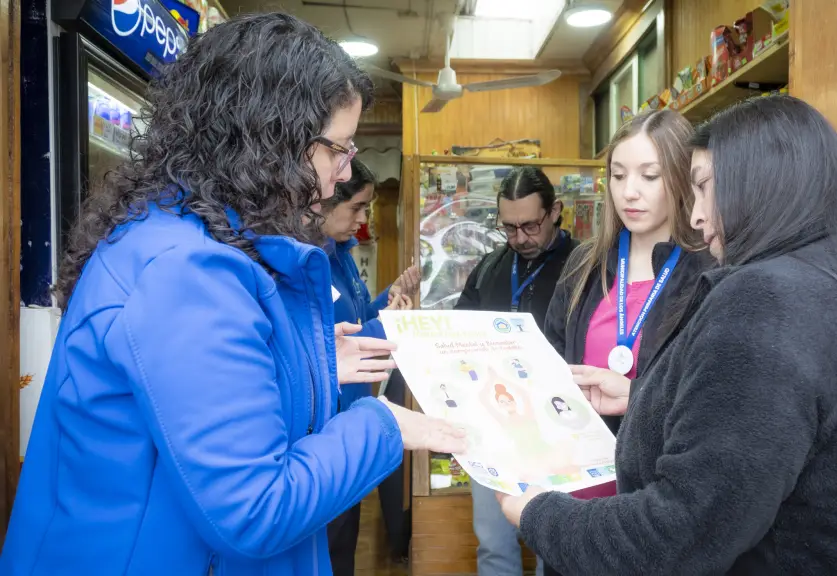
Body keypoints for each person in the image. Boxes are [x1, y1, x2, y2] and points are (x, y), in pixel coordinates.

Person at [0, 14, 464, 576]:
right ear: (273, 140)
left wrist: (307, 364)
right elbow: (256, 507)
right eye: (337, 150)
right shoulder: (187, 273)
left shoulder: (192, 233)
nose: (343, 174)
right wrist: (384, 426)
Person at [496, 96, 837, 575]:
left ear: (757, 185)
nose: (698, 215)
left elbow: (682, 531)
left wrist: (541, 514)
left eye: (703, 186)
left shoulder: (766, 297)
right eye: (618, 176)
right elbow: (770, 417)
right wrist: (644, 395)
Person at [545, 110, 709, 438]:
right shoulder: (584, 264)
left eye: (649, 176)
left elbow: (714, 396)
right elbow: (550, 360)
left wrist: (637, 396)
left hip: (662, 473)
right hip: (581, 464)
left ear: (682, 178)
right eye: (618, 176)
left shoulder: (709, 271)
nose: (628, 192)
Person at [455, 166, 577, 576]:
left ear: (555, 211)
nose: (520, 238)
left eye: (530, 225)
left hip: (558, 430)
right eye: (509, 227)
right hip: (492, 429)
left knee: (557, 548)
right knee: (493, 546)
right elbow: (458, 335)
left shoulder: (583, 267)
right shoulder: (490, 267)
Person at [318, 157, 422, 575]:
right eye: (357, 208)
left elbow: (358, 318)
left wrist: (389, 299)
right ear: (326, 202)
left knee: (343, 542)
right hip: (328, 424)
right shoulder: (310, 261)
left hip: (351, 422)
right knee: (331, 544)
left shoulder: (341, 253)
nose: (362, 220)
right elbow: (342, 342)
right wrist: (389, 323)